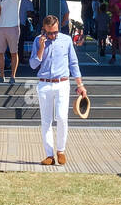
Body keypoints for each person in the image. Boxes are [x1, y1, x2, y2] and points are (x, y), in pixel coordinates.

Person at [29, 15, 87, 165]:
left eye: (55, 32)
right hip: (44, 83)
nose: (53, 35)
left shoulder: (66, 40)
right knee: (46, 121)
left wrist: (80, 85)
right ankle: (49, 155)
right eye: (49, 33)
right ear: (44, 30)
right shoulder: (38, 41)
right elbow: (33, 64)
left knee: (62, 117)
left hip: (62, 82)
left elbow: (74, 63)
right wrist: (41, 48)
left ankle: (61, 150)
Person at [0, 0, 22, 83]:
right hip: (1, 27)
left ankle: (13, 76)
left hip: (13, 26)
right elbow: (0, 9)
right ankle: (1, 76)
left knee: (13, 52)